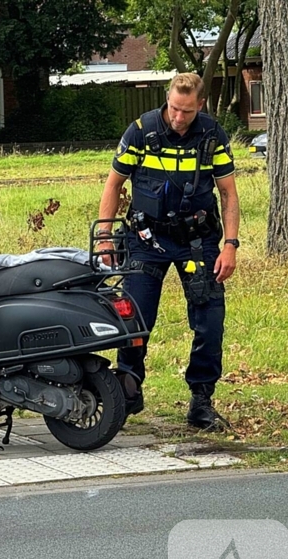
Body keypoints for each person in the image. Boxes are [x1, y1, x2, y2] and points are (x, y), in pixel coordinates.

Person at [96, 73, 241, 430]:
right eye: (175, 109)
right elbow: (114, 184)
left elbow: (229, 195)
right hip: (145, 241)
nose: (178, 118)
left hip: (198, 242)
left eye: (187, 112)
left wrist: (230, 246)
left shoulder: (212, 135)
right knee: (134, 320)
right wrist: (104, 236)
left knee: (210, 322)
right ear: (167, 100)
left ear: (200, 106)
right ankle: (128, 389)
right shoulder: (140, 132)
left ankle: (202, 399)